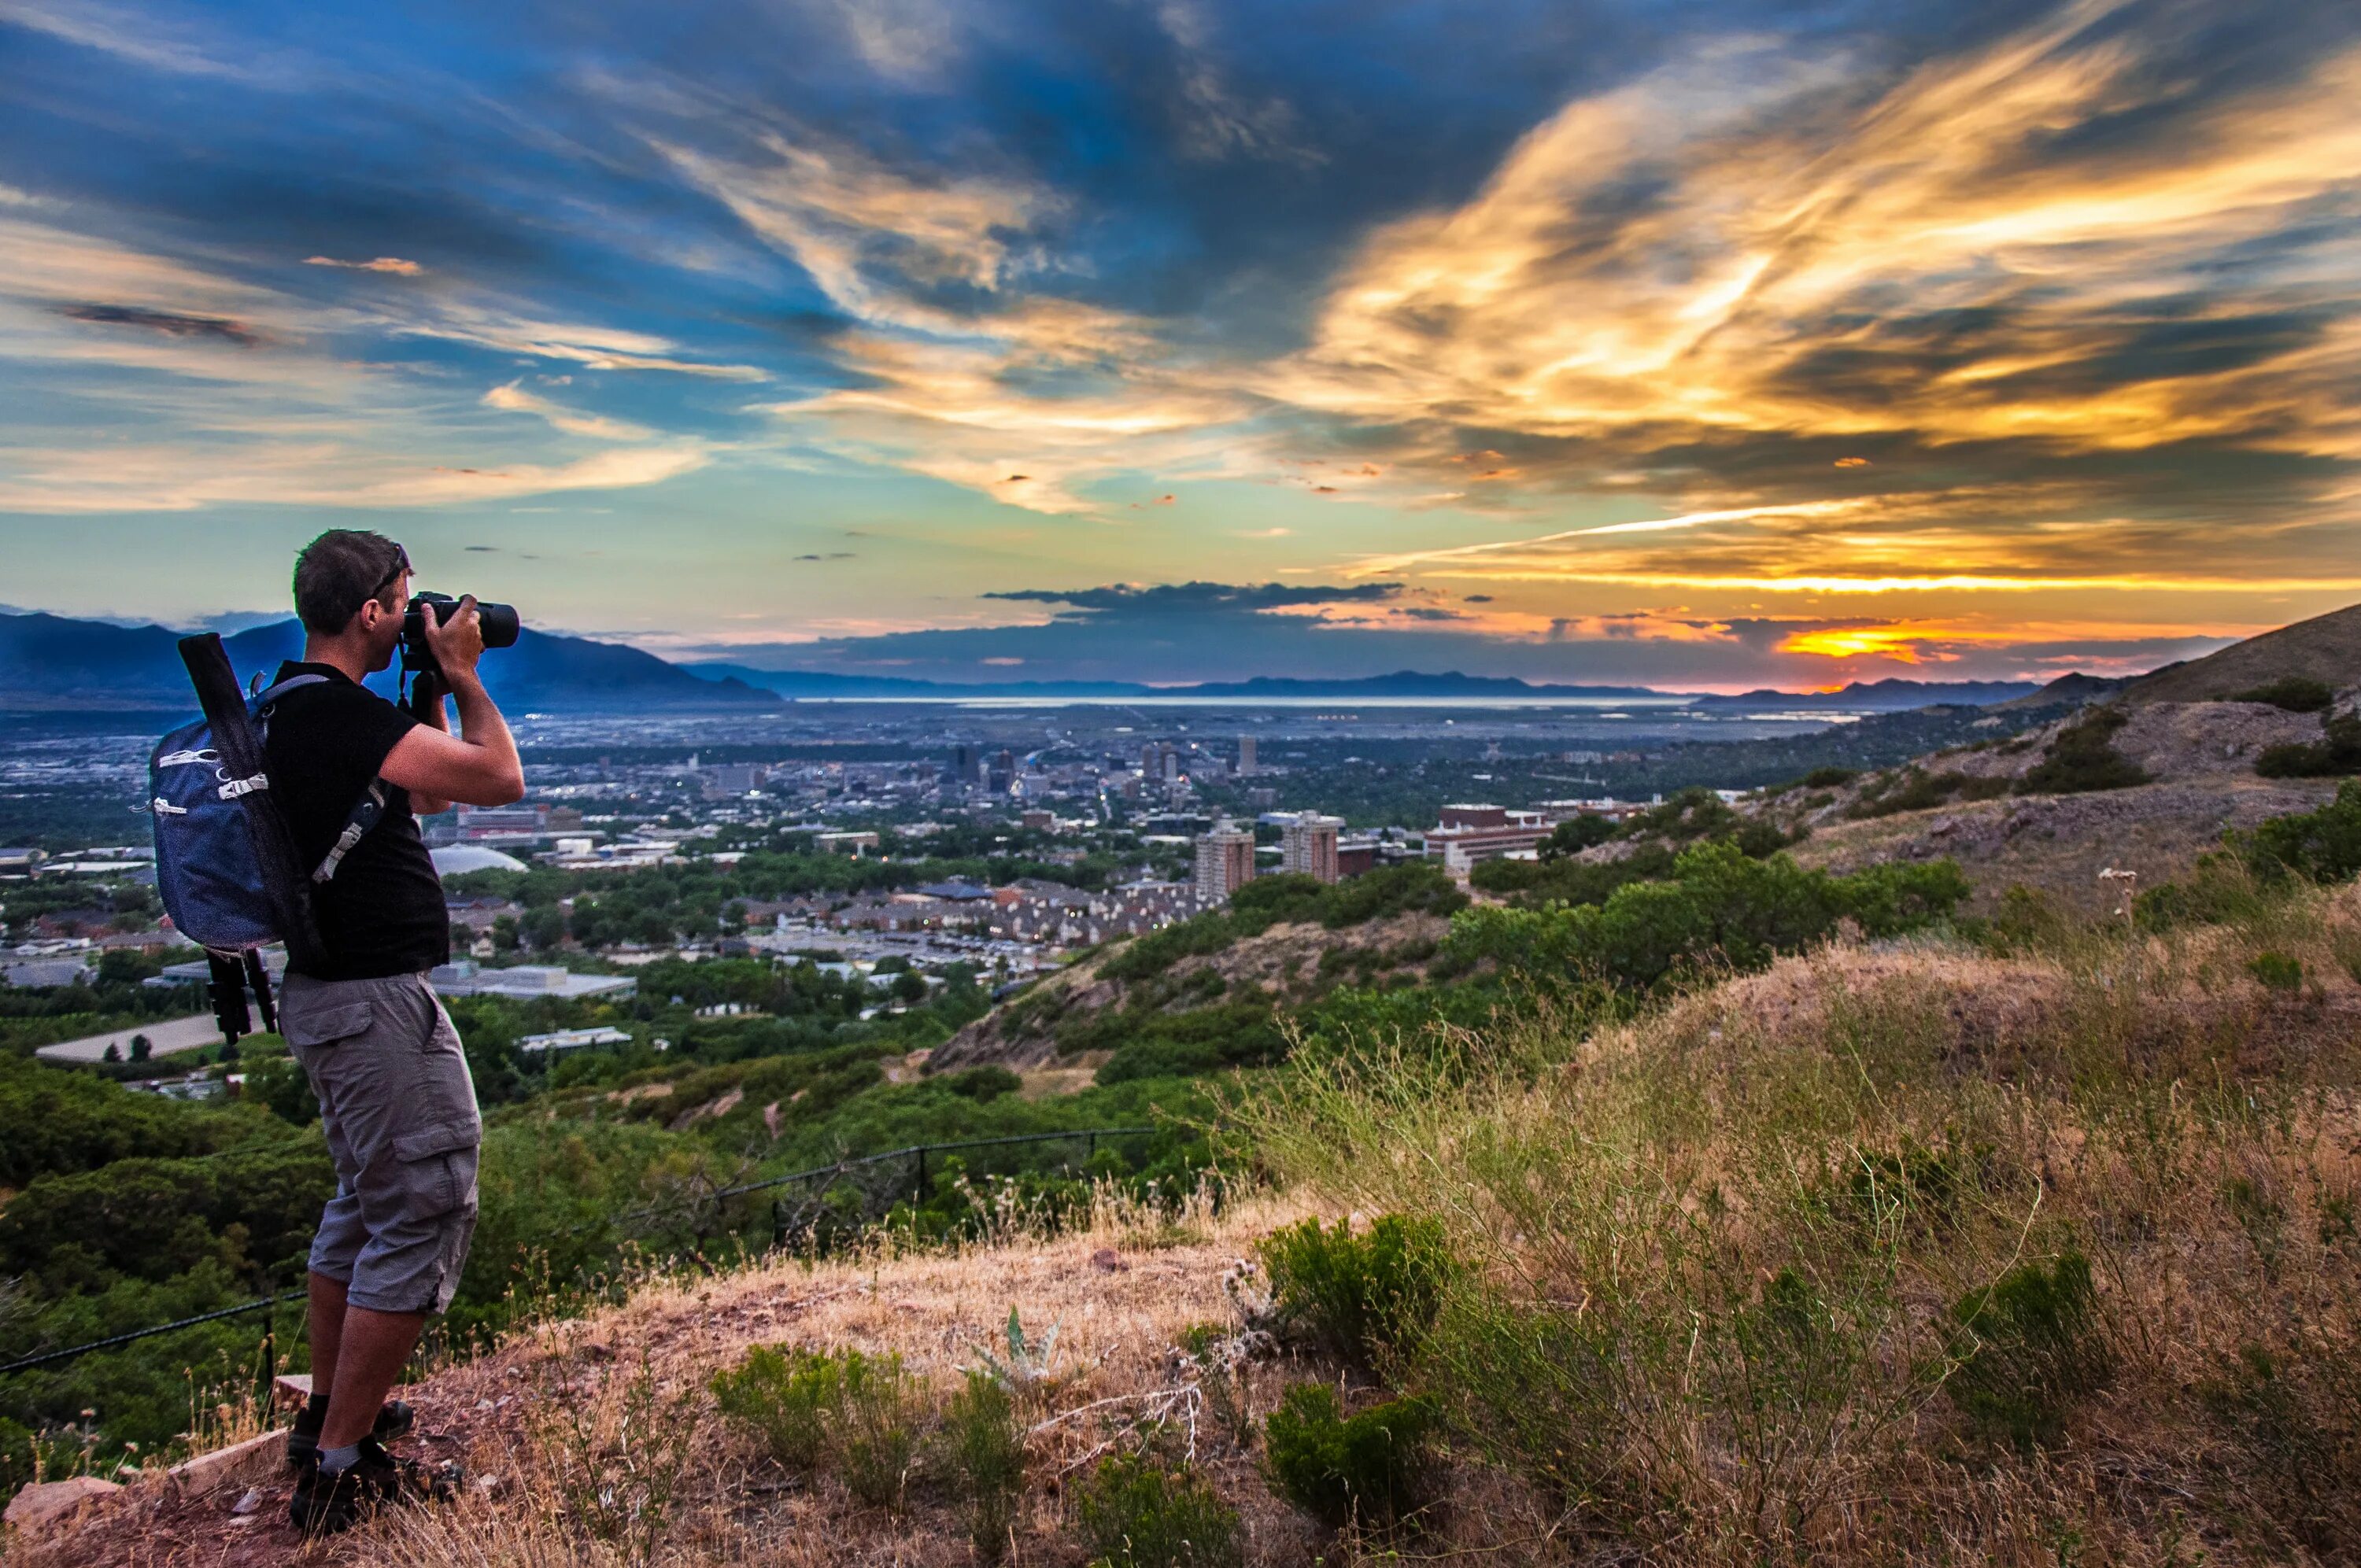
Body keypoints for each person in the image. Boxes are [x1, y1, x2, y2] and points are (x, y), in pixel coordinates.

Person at [267, 529, 524, 1535]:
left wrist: (424, 686)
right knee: (422, 1200)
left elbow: (412, 794)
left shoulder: (298, 708)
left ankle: (332, 1420)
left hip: (339, 995)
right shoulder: (330, 715)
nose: (421, 615)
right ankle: (341, 1465)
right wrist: (464, 676)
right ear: (373, 610)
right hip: (372, 1003)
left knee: (366, 1205)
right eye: (409, 602)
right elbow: (497, 777)